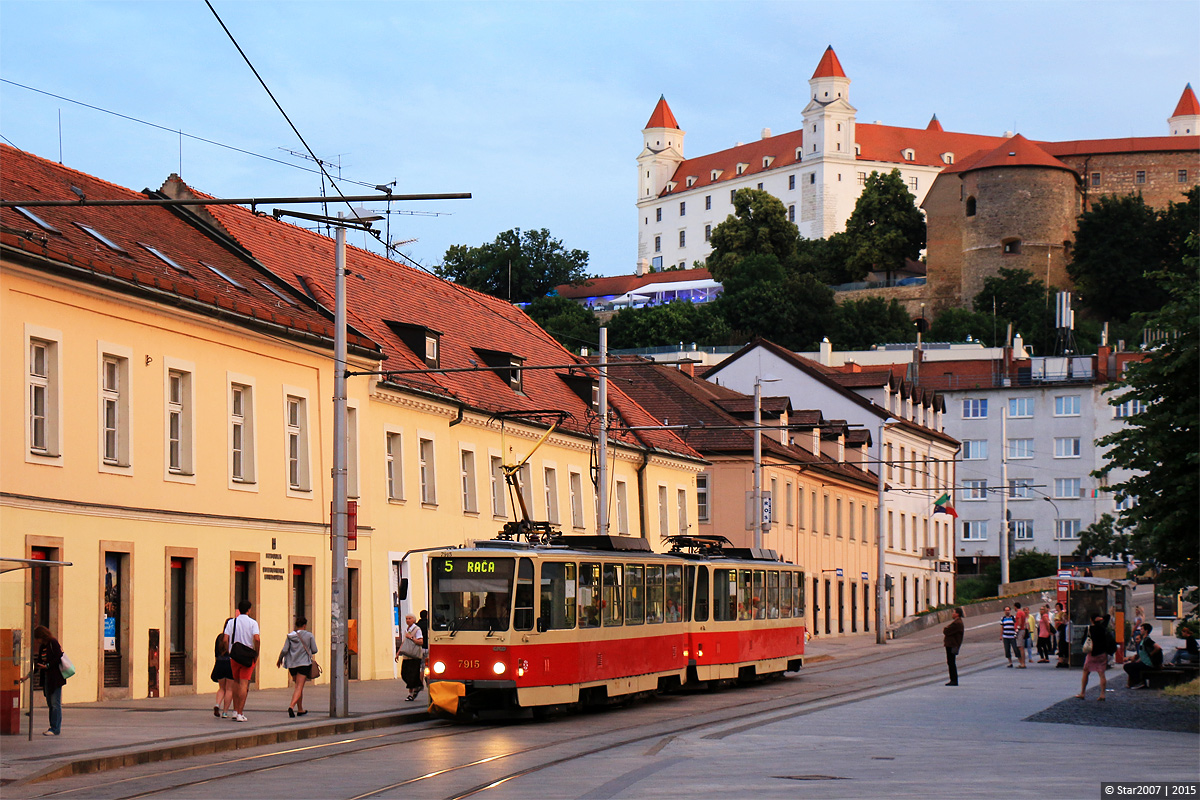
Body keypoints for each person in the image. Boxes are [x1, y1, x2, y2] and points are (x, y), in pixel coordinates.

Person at [20, 625, 66, 736]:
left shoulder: (53, 643)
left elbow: (59, 657)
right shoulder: (42, 647)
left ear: (42, 636)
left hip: (55, 678)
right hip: (46, 678)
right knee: (50, 703)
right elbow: (38, 664)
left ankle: (55, 728)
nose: (36, 641)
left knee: (55, 704)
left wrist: (48, 666)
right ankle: (52, 727)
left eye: (37, 638)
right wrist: (27, 676)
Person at [222, 600, 260, 722]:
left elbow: (224, 639)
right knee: (244, 684)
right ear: (249, 610)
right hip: (248, 656)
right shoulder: (253, 623)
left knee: (236, 683)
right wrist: (256, 652)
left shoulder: (232, 622)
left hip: (235, 656)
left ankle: (234, 710)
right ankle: (240, 713)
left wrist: (228, 649)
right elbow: (257, 639)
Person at [276, 616, 317, 717]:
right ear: (304, 625)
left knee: (298, 686)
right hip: (303, 664)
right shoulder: (309, 635)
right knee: (299, 686)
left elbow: (285, 650)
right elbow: (315, 649)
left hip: (292, 664)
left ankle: (300, 709)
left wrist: (280, 659)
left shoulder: (290, 636)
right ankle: (291, 706)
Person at [1077, 611, 1113, 701]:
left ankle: (1082, 693)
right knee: (1101, 674)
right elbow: (1107, 617)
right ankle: (1102, 694)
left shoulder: (1089, 628)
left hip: (1092, 653)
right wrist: (1102, 618)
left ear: (1091, 620)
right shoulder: (1103, 627)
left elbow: (1083, 641)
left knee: (1086, 672)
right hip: (1102, 653)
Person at [1123, 623, 1163, 688]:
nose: (1140, 630)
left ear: (1146, 631)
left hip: (1148, 664)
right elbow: (1143, 654)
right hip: (1145, 662)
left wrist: (1151, 654)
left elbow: (1158, 647)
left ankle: (1139, 681)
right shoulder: (1143, 640)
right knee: (1132, 665)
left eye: (1142, 629)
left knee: (1127, 667)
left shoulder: (1147, 640)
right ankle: (1138, 681)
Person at [395, 613, 424, 701]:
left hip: (415, 656)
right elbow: (404, 642)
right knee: (404, 674)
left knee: (412, 675)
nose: (408, 620)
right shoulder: (407, 629)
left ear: (414, 620)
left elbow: (420, 642)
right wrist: (398, 653)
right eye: (407, 618)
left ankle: (410, 694)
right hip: (407, 655)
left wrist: (411, 637)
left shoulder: (417, 629)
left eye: (410, 618)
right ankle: (418, 686)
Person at [211, 617, 234, 718]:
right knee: (229, 689)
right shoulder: (233, 637)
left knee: (221, 688)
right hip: (230, 663)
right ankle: (225, 712)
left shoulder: (219, 637)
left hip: (219, 663)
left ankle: (217, 704)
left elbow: (216, 653)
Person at [943, 608, 964, 686]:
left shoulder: (957, 623)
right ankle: (953, 679)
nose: (952, 614)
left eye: (954, 612)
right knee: (951, 662)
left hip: (952, 645)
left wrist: (945, 629)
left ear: (957, 614)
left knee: (951, 662)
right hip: (952, 644)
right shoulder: (957, 622)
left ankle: (954, 680)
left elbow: (946, 631)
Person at [1013, 602, 1031, 667]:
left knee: (1020, 647)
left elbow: (1020, 622)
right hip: (1022, 630)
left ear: (1015, 607)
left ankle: (1023, 663)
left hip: (1020, 631)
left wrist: (1017, 630)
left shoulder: (1019, 613)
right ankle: (1023, 663)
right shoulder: (1022, 613)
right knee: (1021, 647)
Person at [1054, 603, 1070, 669]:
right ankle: (1063, 661)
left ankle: (1064, 661)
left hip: (1064, 636)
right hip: (1063, 635)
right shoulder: (1065, 624)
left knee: (1064, 647)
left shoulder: (1067, 624)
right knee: (1062, 647)